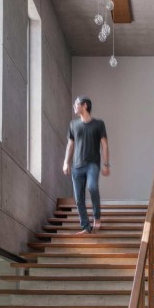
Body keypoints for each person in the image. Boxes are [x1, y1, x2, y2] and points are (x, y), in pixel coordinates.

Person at [62, 96, 110, 234]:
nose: (74, 106)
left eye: (76, 104)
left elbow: (104, 145)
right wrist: (66, 162)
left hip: (92, 164)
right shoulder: (73, 124)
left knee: (92, 186)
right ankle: (85, 227)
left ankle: (97, 217)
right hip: (77, 167)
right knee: (78, 198)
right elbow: (70, 145)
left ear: (84, 106)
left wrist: (106, 164)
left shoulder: (99, 124)